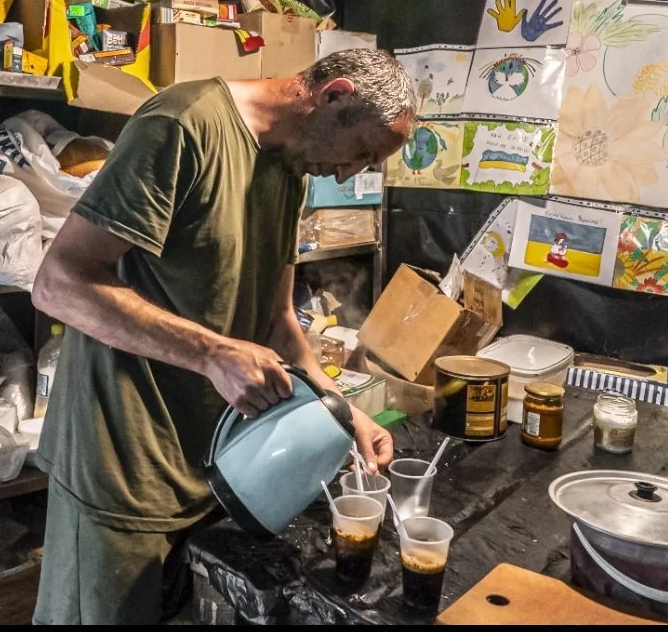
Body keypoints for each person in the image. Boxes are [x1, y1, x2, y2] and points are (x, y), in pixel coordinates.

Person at [30, 49, 416, 625]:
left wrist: (342, 411)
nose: (346, 175)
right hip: (124, 462)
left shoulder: (289, 167)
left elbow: (277, 321)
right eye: (360, 152)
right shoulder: (183, 125)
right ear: (334, 94)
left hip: (220, 464)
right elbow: (58, 283)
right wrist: (211, 352)